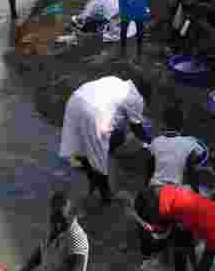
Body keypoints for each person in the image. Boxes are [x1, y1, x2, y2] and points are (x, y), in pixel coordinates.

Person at [58, 76, 152, 204]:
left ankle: (86, 171)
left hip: (76, 100)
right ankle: (105, 195)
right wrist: (152, 143)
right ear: (144, 95)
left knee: (81, 145)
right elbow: (137, 128)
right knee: (99, 161)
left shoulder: (115, 81)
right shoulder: (136, 98)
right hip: (94, 114)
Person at [133, 185, 215, 271]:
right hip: (159, 206)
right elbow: (207, 260)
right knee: (165, 240)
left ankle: (163, 253)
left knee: (180, 240)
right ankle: (150, 252)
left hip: (162, 191)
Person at [18, 191, 89, 271]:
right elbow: (40, 253)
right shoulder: (54, 229)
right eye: (53, 213)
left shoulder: (76, 237)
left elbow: (77, 267)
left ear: (71, 213)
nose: (54, 218)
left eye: (59, 214)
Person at [146, 106, 206, 189]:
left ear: (164, 124)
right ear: (182, 125)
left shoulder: (155, 142)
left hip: (155, 188)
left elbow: (150, 167)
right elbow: (196, 164)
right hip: (175, 190)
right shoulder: (190, 143)